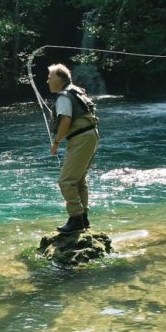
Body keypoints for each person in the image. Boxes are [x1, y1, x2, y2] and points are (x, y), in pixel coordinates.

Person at [47, 64, 99, 234]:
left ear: (60, 79)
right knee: (79, 180)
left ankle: (76, 219)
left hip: (81, 138)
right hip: (91, 135)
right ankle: (83, 218)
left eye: (50, 77)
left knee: (66, 181)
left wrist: (56, 142)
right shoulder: (75, 90)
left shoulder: (63, 96)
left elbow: (66, 121)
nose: (47, 80)